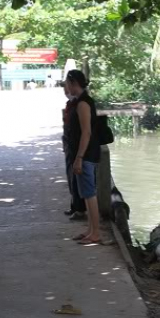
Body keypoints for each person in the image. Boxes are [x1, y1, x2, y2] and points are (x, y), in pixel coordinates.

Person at [65, 69, 101, 245]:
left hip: (85, 155)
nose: (66, 87)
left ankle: (95, 233)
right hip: (82, 154)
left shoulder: (83, 104)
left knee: (89, 194)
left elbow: (86, 132)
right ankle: (90, 230)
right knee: (86, 194)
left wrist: (79, 157)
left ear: (73, 83)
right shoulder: (79, 101)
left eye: (67, 83)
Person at [62, 84, 87, 220]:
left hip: (75, 146)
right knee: (71, 177)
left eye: (66, 86)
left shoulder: (80, 104)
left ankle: (79, 208)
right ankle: (75, 206)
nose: (65, 89)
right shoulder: (71, 103)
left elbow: (84, 130)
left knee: (77, 178)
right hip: (69, 144)